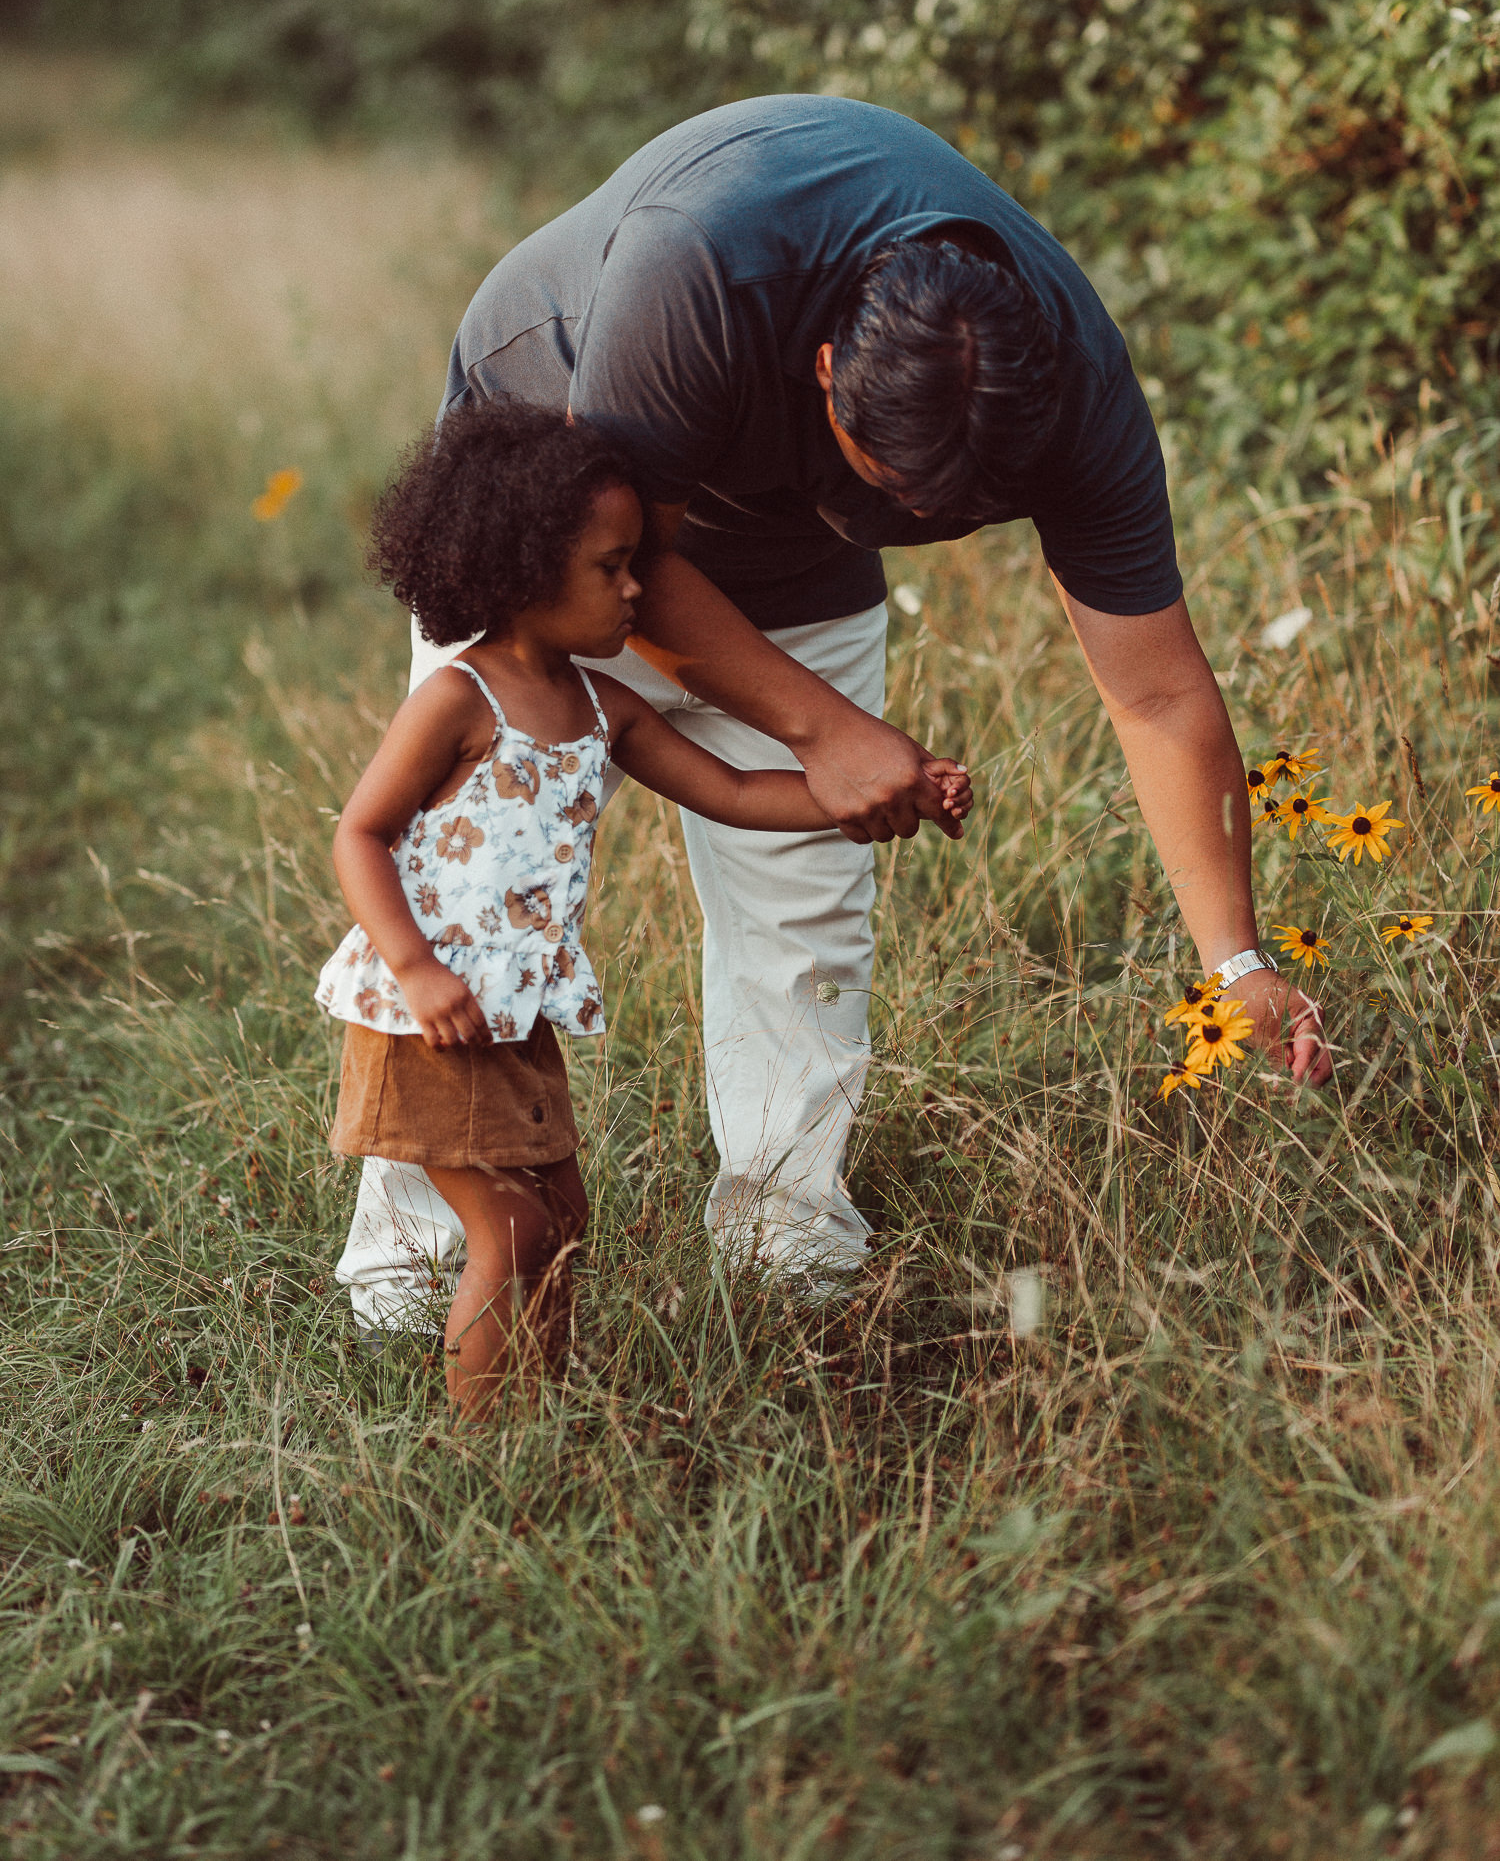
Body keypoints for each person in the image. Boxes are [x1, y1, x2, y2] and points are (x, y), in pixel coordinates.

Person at [336, 93, 1330, 1339]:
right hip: (556, 513)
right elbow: (626, 569)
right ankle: (411, 1267)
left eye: (950, 516)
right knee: (465, 890)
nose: (900, 526)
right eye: (890, 488)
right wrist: (826, 730)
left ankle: (786, 1241)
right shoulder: (696, 273)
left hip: (767, 529)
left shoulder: (1070, 388)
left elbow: (1159, 688)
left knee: (805, 893)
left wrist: (1234, 961)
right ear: (825, 372)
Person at [316, 401, 968, 1409]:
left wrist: (883, 797)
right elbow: (359, 833)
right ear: (522, 571)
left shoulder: (600, 705)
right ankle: (482, 1450)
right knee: (514, 1230)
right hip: (428, 1018)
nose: (638, 588)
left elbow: (738, 793)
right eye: (612, 568)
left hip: (516, 1015)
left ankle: (537, 1403)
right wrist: (416, 968)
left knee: (562, 1215)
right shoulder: (457, 698)